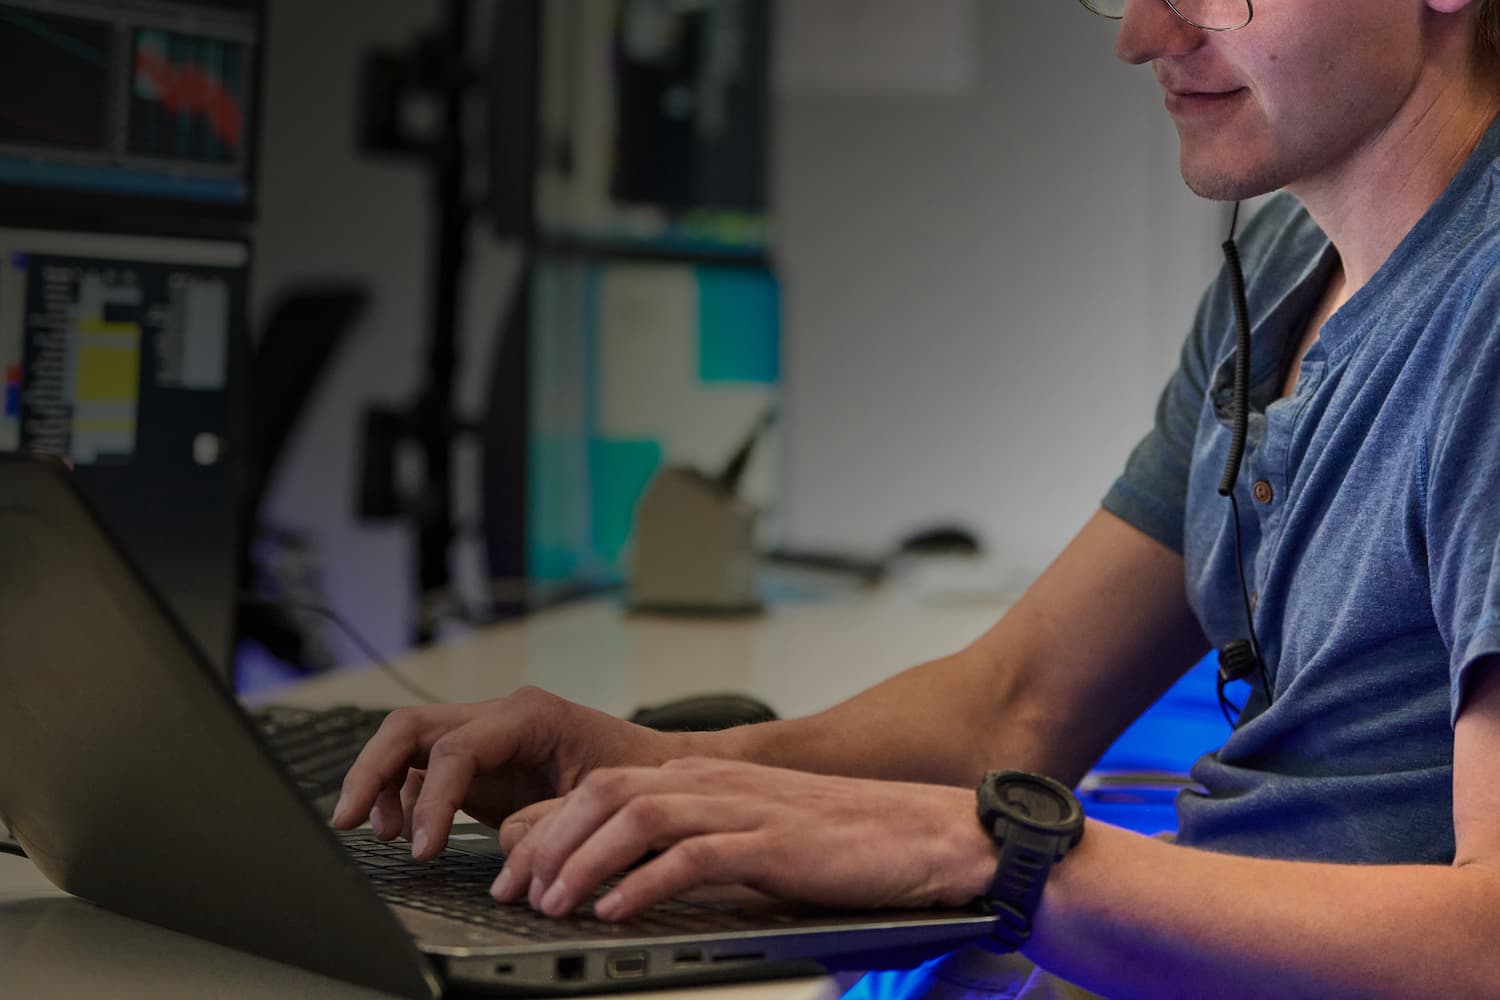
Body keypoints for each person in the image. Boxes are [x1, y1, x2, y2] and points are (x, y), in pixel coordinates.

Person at [334, 0, 1500, 994]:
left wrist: (994, 855)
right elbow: (1017, 702)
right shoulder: (1291, 283)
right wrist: (650, 771)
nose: (1141, 35)